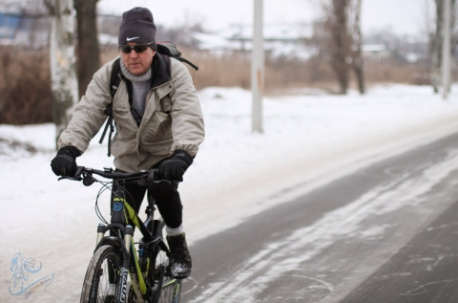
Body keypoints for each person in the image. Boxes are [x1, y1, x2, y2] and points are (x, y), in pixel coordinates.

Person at [50, 7, 204, 279]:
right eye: (126, 48)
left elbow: (187, 115)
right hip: (127, 160)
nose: (133, 55)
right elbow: (88, 112)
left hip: (164, 157)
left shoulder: (174, 73)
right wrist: (68, 150)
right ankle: (118, 274)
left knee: (164, 191)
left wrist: (182, 155)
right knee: (118, 226)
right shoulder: (108, 76)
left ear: (153, 47)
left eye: (140, 47)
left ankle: (178, 246)